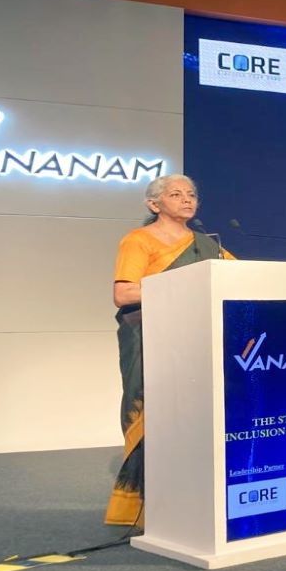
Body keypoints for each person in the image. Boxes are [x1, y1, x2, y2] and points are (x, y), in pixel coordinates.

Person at [105, 174, 234, 526]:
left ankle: (191, 502)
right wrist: (181, 287)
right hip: (150, 335)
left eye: (191, 194)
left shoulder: (207, 245)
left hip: (195, 337)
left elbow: (236, 277)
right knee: (152, 413)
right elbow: (124, 293)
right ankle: (143, 507)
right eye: (176, 194)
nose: (187, 199)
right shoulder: (139, 240)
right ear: (154, 204)